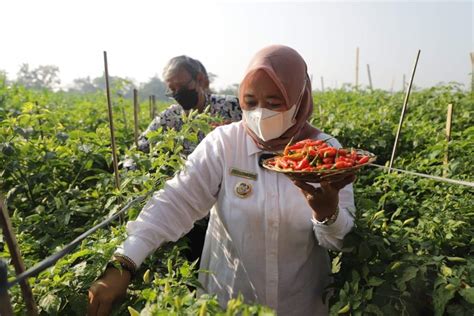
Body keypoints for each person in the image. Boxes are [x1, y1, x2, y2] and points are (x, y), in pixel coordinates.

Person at [88, 45, 356, 316]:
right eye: (250, 102)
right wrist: (124, 262)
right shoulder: (225, 144)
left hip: (299, 304)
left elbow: (341, 241)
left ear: (300, 97)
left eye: (274, 103)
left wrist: (327, 214)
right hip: (229, 301)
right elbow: (176, 202)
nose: (261, 113)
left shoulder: (325, 153)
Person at [136, 55, 242, 155]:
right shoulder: (169, 118)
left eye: (182, 86)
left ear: (199, 80)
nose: (178, 93)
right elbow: (138, 151)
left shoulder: (232, 107)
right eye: (172, 89)